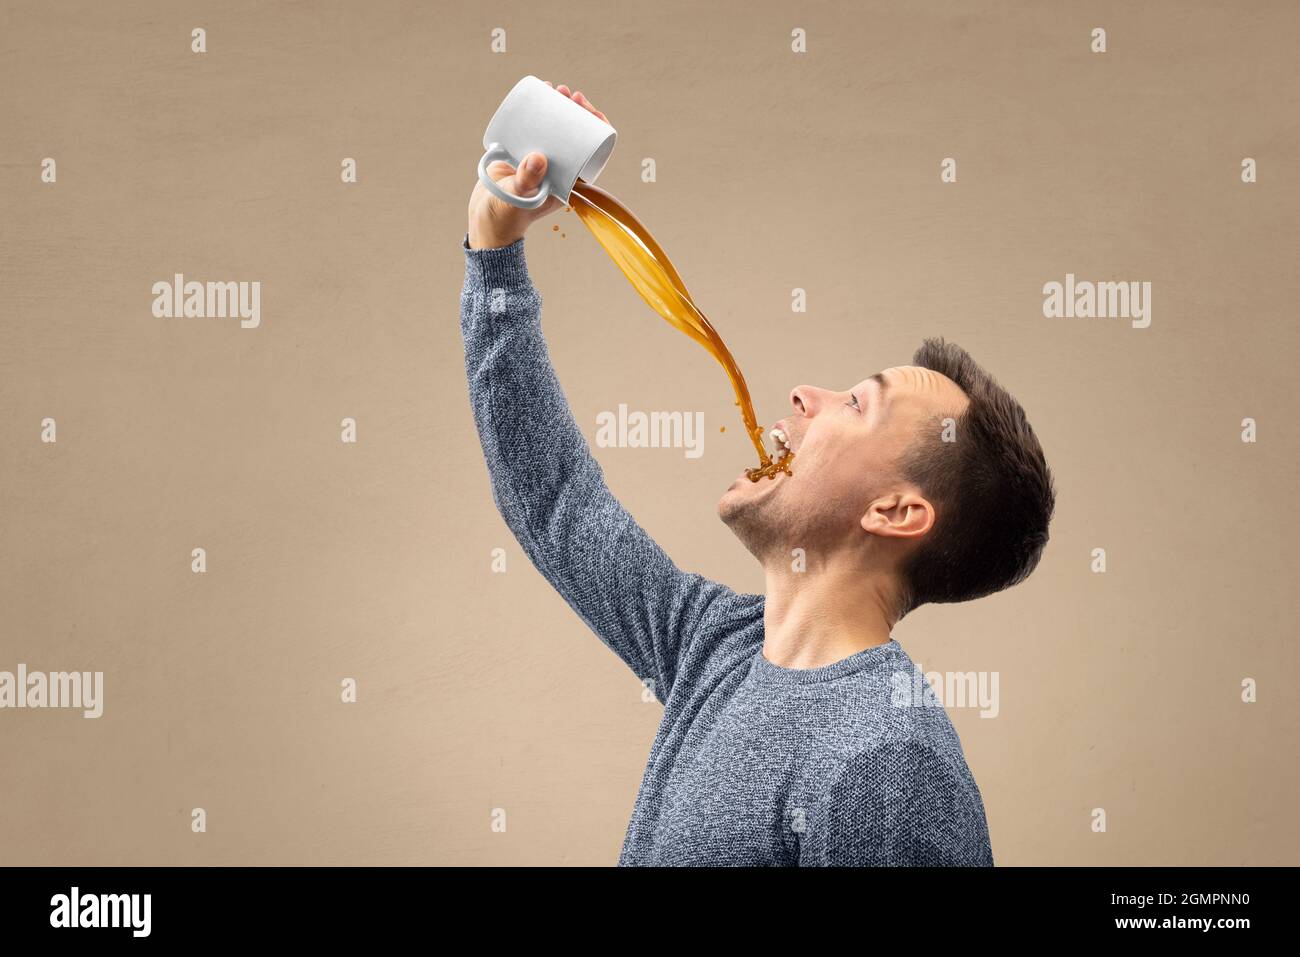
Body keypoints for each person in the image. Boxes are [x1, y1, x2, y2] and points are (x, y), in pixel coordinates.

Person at [460, 83, 1055, 865]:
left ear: (897, 510)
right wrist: (495, 248)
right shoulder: (717, 647)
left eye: (855, 402)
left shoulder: (887, 765)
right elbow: (555, 501)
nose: (805, 394)